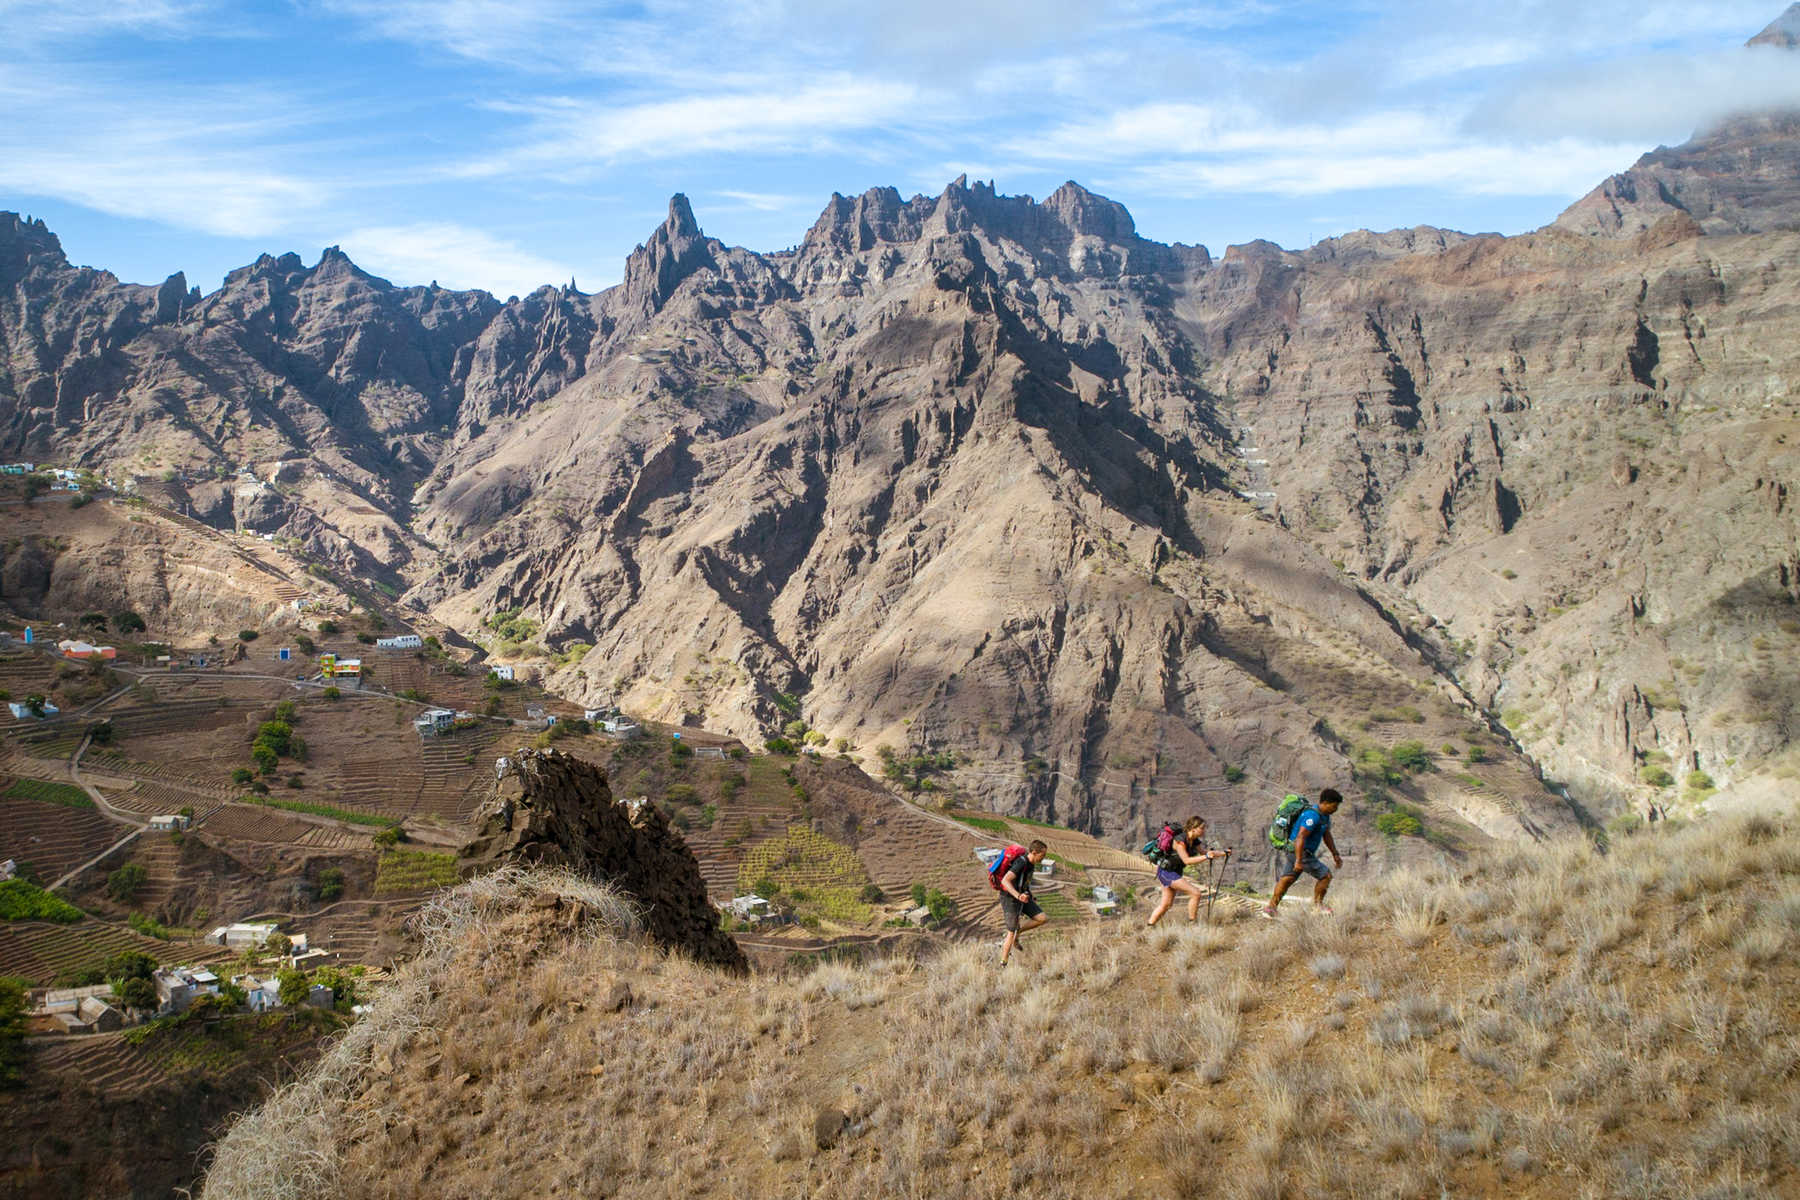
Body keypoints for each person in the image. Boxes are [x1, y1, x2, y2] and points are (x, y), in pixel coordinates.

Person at [1261, 788, 1343, 918]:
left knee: (1287, 879)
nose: (1336, 809)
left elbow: (1327, 835)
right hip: (1301, 852)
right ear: (1326, 803)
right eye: (1334, 806)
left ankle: (1271, 908)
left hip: (1297, 852)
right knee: (1325, 876)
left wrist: (1335, 854)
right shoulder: (1313, 815)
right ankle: (1318, 906)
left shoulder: (1325, 817)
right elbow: (1301, 837)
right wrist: (1299, 860)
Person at [1146, 815, 1229, 927]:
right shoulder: (1180, 841)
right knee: (1196, 893)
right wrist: (1207, 857)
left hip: (1173, 872)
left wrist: (1224, 853)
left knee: (1166, 905)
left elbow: (1204, 852)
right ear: (1193, 828)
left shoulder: (1194, 840)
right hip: (1167, 872)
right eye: (1202, 828)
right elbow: (1187, 860)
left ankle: (1149, 926)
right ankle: (1192, 924)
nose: (1204, 831)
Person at [998, 840, 1049, 965]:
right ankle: (1003, 963)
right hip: (1010, 899)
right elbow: (1005, 881)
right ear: (1034, 852)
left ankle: (1018, 932)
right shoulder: (1021, 862)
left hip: (1023, 897)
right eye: (1042, 855)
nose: (1044, 858)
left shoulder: (1031, 864)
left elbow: (1023, 882)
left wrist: (1028, 895)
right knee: (1010, 933)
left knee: (1042, 918)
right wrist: (1018, 895)